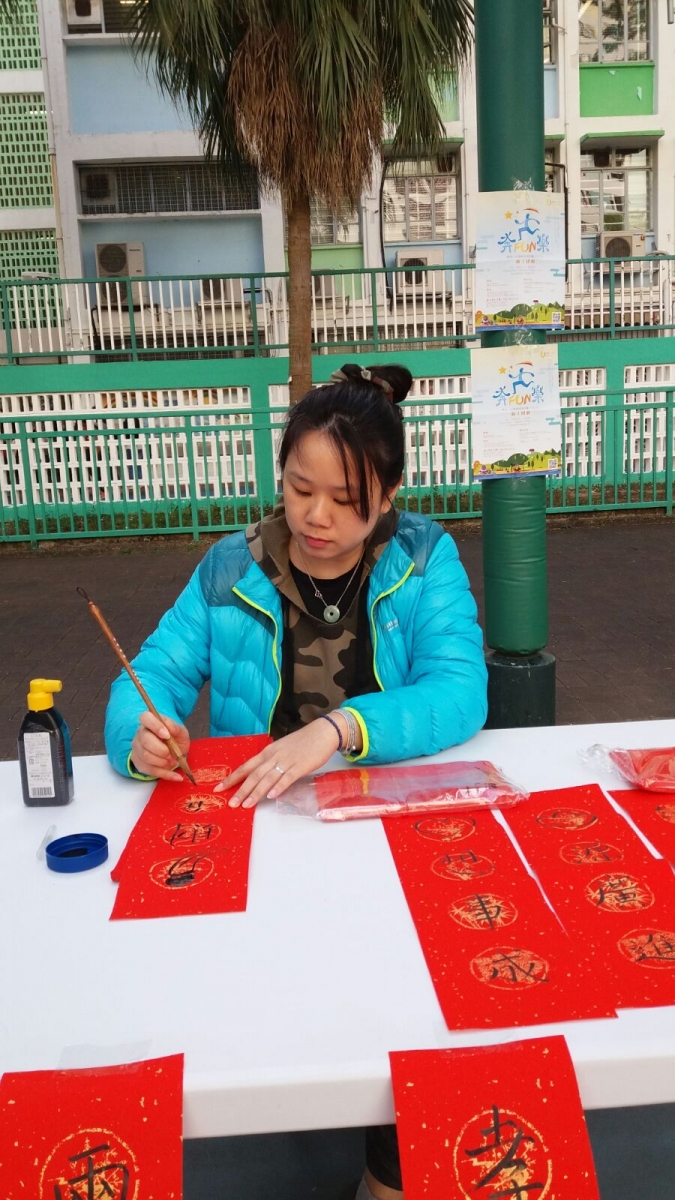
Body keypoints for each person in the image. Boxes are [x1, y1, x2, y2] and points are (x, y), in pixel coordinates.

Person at [105, 362, 488, 1200]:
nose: (316, 517)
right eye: (298, 488)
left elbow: (460, 689)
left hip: (381, 826)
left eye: (346, 499)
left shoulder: (423, 557)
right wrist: (142, 734)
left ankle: (391, 1166)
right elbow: (151, 675)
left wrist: (338, 728)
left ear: (388, 496)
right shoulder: (229, 567)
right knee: (263, 1002)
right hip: (262, 823)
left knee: (411, 1000)